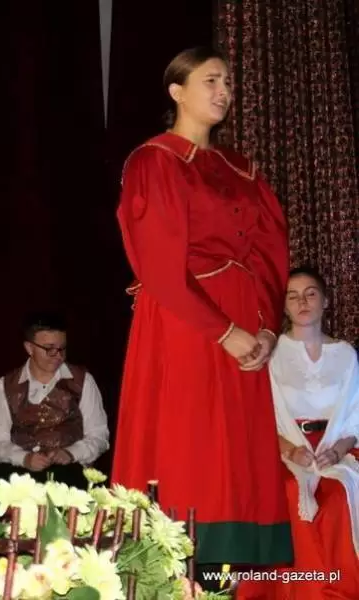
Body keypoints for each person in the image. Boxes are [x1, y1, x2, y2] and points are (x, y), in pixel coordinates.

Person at [111, 46, 293, 576]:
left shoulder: (241, 168)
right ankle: (175, 568)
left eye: (228, 83)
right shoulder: (155, 160)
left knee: (236, 453)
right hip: (186, 320)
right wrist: (225, 330)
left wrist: (265, 328)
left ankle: (225, 575)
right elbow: (160, 265)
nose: (224, 91)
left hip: (246, 323)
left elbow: (269, 250)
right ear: (177, 92)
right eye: (211, 80)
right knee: (190, 442)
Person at [237, 268, 359, 599]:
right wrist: (291, 451)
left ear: (325, 301)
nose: (302, 302)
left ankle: (338, 591)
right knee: (290, 492)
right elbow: (259, 418)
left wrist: (335, 452)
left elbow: (354, 420)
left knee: (338, 496)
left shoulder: (346, 355)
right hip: (282, 449)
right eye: (293, 296)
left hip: (336, 450)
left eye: (310, 294)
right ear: (285, 306)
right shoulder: (272, 354)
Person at [0, 312, 109, 496]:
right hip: (19, 474)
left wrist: (70, 453)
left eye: (62, 348)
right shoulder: (6, 385)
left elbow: (99, 436)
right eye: (49, 349)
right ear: (29, 348)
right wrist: (24, 458)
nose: (57, 356)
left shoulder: (83, 380)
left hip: (70, 474)